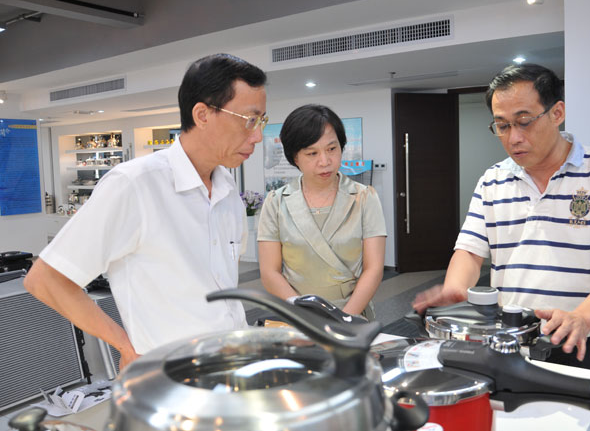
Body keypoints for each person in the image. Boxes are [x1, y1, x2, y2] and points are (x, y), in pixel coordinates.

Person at [413, 63, 590, 431]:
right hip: (506, 344)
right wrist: (456, 290)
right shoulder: (493, 180)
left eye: (524, 121)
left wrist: (582, 317)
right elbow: (469, 251)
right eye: (502, 125)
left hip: (581, 344)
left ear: (557, 113)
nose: (513, 137)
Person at [24, 53, 268, 368]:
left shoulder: (227, 188)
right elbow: (45, 279)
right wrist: (125, 347)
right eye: (249, 120)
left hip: (231, 365)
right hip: (169, 376)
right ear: (202, 115)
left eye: (260, 121)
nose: (257, 136)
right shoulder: (134, 185)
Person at [257, 104, 386, 320]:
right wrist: (304, 314)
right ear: (295, 157)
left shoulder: (365, 198)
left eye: (332, 149)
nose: (325, 161)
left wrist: (343, 319)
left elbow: (373, 269)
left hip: (352, 314)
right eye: (312, 153)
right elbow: (270, 273)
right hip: (297, 315)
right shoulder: (276, 202)